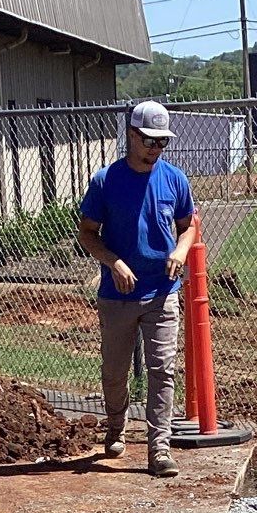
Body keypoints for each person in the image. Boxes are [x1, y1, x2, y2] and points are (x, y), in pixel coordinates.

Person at [77, 100, 196, 477]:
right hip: (117, 296)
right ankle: (115, 426)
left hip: (162, 290)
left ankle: (159, 449)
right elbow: (87, 234)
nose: (156, 149)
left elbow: (188, 225)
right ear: (131, 135)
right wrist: (113, 262)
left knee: (162, 369)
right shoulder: (105, 181)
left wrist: (180, 249)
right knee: (114, 371)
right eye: (149, 141)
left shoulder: (175, 179)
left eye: (162, 143)